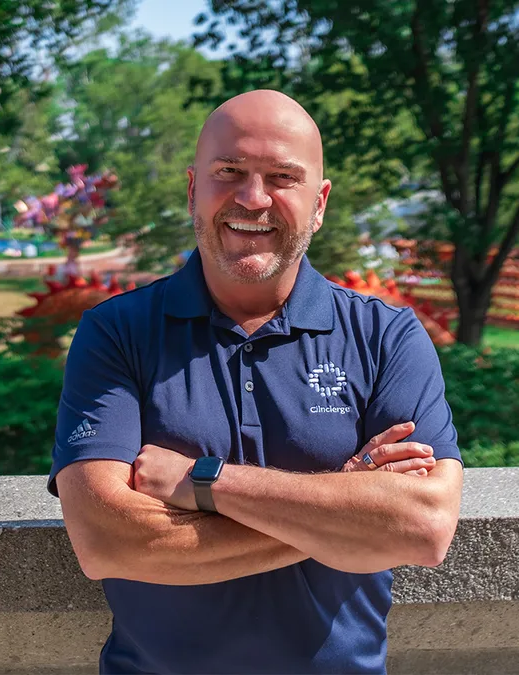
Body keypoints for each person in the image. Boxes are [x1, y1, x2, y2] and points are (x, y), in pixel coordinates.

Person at [47, 90, 464, 674]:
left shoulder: (385, 336)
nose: (253, 197)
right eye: (230, 172)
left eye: (281, 177)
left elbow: (422, 527)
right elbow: (105, 541)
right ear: (194, 188)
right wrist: (346, 505)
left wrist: (203, 483)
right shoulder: (117, 332)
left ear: (318, 203)